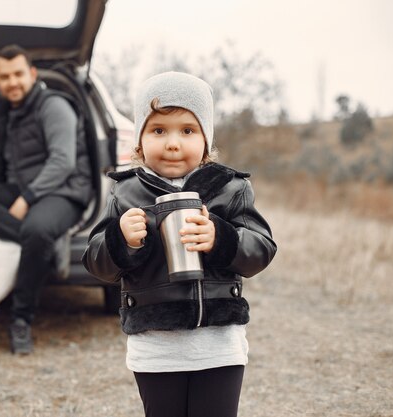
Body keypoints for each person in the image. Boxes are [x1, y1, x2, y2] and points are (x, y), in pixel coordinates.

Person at [82, 72, 277, 417]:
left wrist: (222, 239)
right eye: (159, 130)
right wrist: (120, 239)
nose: (173, 143)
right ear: (140, 140)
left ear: (206, 138)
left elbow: (261, 248)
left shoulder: (230, 188)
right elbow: (96, 261)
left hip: (218, 342)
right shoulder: (124, 192)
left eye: (187, 130)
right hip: (155, 344)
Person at [0, 44, 93, 354]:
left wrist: (27, 198)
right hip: (23, 187)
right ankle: (47, 247)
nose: (12, 82)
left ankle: (21, 319)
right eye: (4, 77)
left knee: (37, 229)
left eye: (18, 74)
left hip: (63, 191)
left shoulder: (53, 106)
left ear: (32, 74)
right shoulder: (8, 110)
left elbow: (63, 162)